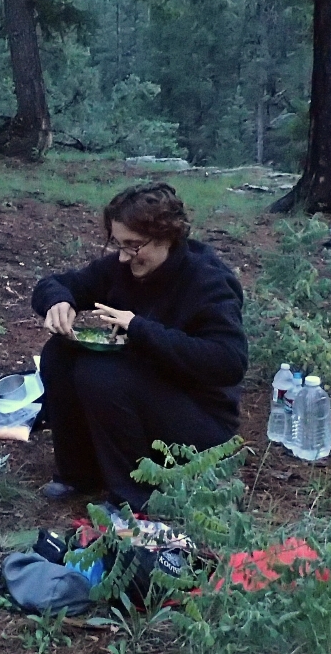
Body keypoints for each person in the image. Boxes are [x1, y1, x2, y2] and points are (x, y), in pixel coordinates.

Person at [31, 182, 247, 511]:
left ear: (168, 236)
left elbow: (228, 361)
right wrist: (58, 301)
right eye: (118, 245)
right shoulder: (122, 268)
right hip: (148, 396)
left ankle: (134, 497)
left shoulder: (207, 280)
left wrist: (138, 327)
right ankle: (80, 475)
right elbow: (57, 283)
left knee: (101, 373)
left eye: (133, 246)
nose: (124, 256)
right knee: (59, 353)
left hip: (202, 420)